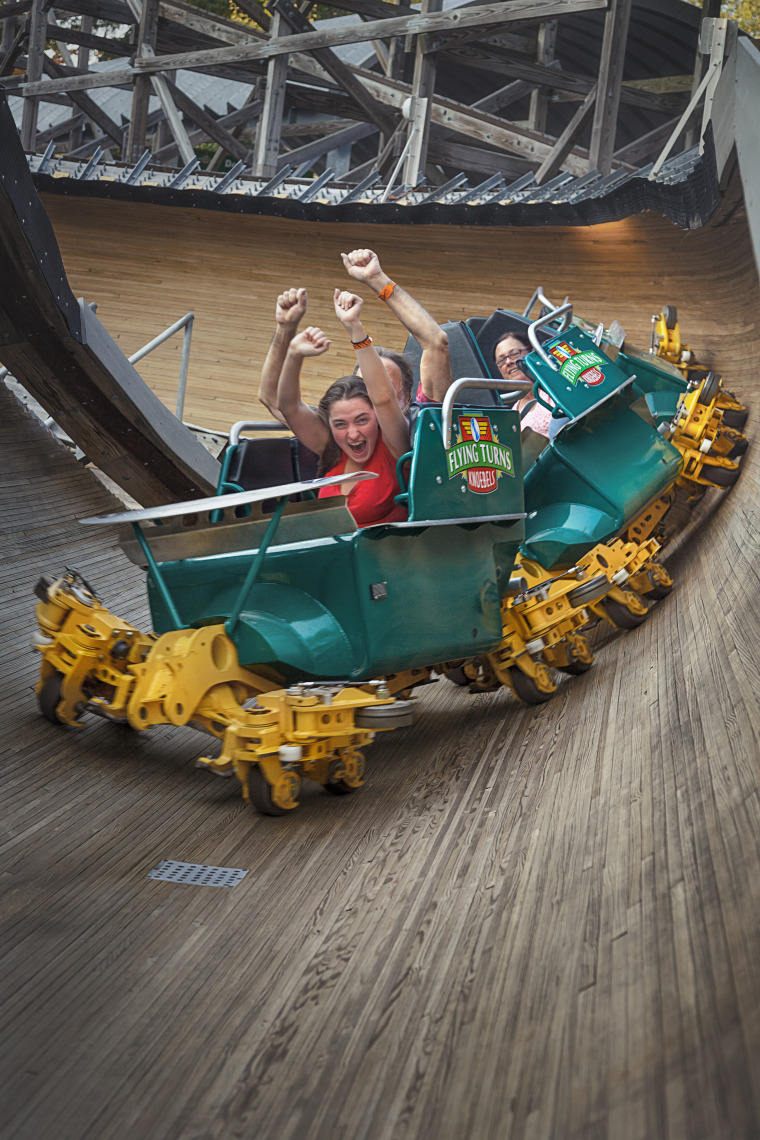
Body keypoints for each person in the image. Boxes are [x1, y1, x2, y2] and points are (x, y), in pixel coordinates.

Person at [258, 248, 450, 422]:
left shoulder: (424, 420)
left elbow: (435, 342)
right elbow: (271, 397)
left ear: (407, 396)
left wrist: (376, 279)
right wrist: (285, 328)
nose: (374, 393)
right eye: (363, 385)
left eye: (386, 385)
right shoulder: (341, 428)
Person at [275, 287, 411, 528]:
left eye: (362, 420)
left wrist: (354, 326)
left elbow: (383, 397)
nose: (353, 433)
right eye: (340, 424)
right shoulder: (332, 447)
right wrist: (294, 353)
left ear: (377, 418)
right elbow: (289, 407)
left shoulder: (393, 446)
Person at [494, 331, 555, 437]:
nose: (508, 362)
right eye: (501, 360)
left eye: (514, 354)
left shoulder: (554, 388)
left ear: (531, 352)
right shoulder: (513, 414)